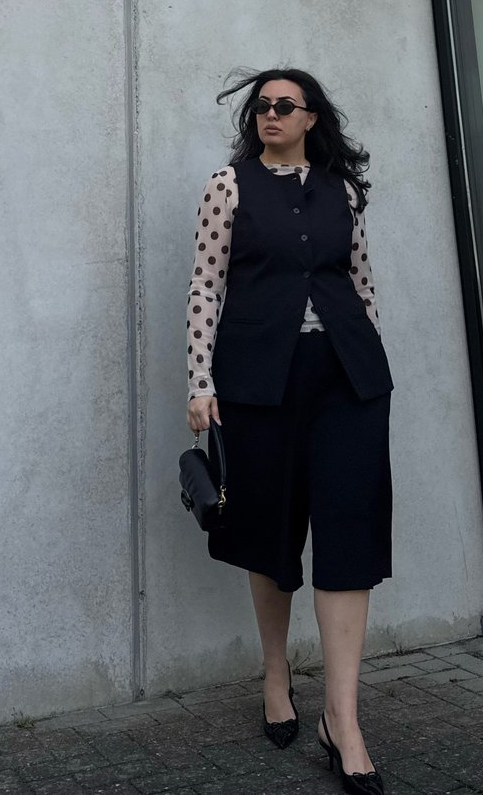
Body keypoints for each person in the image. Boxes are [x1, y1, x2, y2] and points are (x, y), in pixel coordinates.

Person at [186, 67, 393, 795]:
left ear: (310, 117)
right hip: (256, 381)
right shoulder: (228, 186)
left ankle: (344, 719)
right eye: (261, 106)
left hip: (347, 378)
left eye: (284, 105)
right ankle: (277, 673)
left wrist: (367, 349)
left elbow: (361, 281)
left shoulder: (343, 191)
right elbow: (206, 284)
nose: (269, 114)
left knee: (349, 532)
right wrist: (200, 382)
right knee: (270, 531)